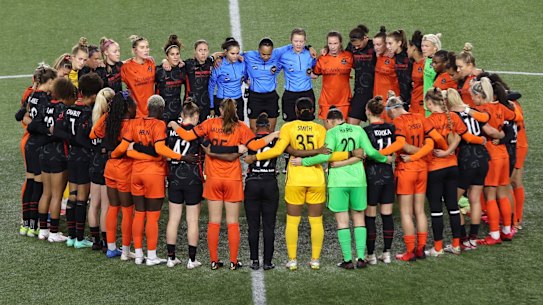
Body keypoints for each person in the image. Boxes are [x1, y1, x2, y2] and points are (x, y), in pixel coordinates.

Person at [245, 98, 358, 270]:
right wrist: (349, 154)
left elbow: (276, 150)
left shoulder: (288, 127)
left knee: (292, 221)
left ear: (296, 111)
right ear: (312, 110)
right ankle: (315, 260)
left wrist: (254, 157)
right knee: (315, 221)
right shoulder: (321, 129)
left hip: (296, 179)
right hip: (316, 179)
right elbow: (329, 155)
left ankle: (292, 260)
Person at [171, 98, 278, 270]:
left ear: (220, 110)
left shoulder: (209, 123)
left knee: (214, 222)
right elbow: (256, 144)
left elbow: (188, 135)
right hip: (232, 179)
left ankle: (214, 260)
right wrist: (273, 134)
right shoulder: (241, 127)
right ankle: (233, 262)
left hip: (213, 178)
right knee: (232, 222)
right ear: (235, 110)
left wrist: (173, 125)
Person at [291, 107, 390, 269]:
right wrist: (385, 159)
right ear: (342, 118)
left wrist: (304, 162)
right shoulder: (358, 130)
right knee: (359, 218)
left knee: (342, 221)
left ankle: (347, 260)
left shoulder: (332, 133)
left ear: (330, 121)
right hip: (358, 180)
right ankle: (360, 257)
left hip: (338, 182)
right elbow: (371, 151)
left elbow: (325, 156)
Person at [111, 95, 186, 266]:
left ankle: (137, 255)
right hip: (154, 175)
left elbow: (126, 150)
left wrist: (113, 155)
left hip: (136, 173)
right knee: (152, 217)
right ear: (160, 109)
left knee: (139, 214)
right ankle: (151, 256)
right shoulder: (159, 125)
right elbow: (159, 149)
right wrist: (180, 157)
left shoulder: (135, 123)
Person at [423, 88, 486, 256]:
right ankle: (456, 245)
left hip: (435, 168)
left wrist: (443, 151)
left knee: (436, 210)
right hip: (453, 167)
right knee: (453, 207)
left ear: (430, 103)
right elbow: (461, 136)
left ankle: (438, 248)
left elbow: (436, 139)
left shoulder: (428, 121)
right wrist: (451, 150)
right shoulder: (453, 118)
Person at [378, 94, 439, 261]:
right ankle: (421, 249)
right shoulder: (420, 117)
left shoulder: (399, 122)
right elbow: (433, 140)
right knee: (419, 211)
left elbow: (400, 144)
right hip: (422, 168)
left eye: (389, 113)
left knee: (406, 213)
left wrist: (378, 153)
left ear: (394, 109)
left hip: (406, 169)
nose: (389, 117)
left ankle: (410, 251)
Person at [52, 73, 104, 248]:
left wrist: (71, 139)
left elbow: (57, 130)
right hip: (84, 158)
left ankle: (71, 236)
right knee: (82, 198)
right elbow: (90, 137)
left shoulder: (69, 109)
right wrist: (88, 146)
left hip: (71, 156)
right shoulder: (89, 113)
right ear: (96, 94)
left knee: (73, 196)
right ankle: (80, 239)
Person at [446, 88, 501, 250]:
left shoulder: (451, 116)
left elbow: (453, 139)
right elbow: (488, 129)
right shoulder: (473, 111)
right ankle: (473, 239)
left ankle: (462, 239)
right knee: (475, 198)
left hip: (466, 158)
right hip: (483, 157)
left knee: (452, 200)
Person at [469, 77, 516, 245]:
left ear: (480, 96)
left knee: (490, 196)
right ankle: (507, 230)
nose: (472, 100)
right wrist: (503, 133)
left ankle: (494, 234)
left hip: (491, 156)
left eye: (473, 96)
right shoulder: (500, 106)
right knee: (503, 194)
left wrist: (498, 134)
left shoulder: (481, 110)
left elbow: (486, 128)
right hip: (504, 155)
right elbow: (513, 115)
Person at [29, 76, 76, 242]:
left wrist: (47, 132)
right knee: (57, 195)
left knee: (46, 193)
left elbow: (33, 125)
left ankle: (43, 230)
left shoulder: (47, 106)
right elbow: (64, 132)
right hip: (58, 154)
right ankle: (54, 233)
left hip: (43, 152)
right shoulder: (64, 109)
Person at [164, 101, 203, 269]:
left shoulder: (171, 131)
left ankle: (171, 258)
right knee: (192, 220)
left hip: (174, 176)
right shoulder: (197, 131)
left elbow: (165, 155)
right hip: (192, 178)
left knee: (173, 219)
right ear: (194, 116)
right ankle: (191, 260)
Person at [20, 64, 57, 237]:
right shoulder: (44, 100)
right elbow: (43, 124)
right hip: (40, 145)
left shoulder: (32, 96)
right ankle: (34, 225)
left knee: (30, 184)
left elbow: (26, 116)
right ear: (48, 81)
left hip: (30, 144)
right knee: (38, 186)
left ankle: (26, 224)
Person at [361, 97, 396, 264]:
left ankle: (371, 255)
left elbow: (364, 154)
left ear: (368, 111)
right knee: (387, 214)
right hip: (388, 174)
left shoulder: (365, 131)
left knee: (370, 215)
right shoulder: (391, 128)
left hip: (372, 174)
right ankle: (387, 253)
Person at [243, 113, 280, 270]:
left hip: (252, 183)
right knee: (269, 225)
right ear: (269, 127)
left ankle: (254, 260)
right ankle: (267, 261)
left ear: (256, 127)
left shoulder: (251, 140)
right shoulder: (276, 140)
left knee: (253, 225)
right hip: (270, 181)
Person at [88, 88, 115, 251]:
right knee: (106, 206)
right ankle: (106, 242)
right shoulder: (108, 121)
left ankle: (95, 240)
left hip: (94, 163)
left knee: (94, 205)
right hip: (106, 165)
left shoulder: (94, 117)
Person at [278, 28, 317, 122]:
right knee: (290, 125)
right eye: (296, 41)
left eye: (301, 41)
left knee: (307, 125)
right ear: (291, 40)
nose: (298, 44)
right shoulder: (284, 56)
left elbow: (317, 72)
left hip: (307, 93)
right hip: (290, 95)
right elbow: (274, 70)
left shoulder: (310, 55)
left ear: (305, 41)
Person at [244, 38, 282, 132]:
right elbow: (231, 53)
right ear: (259, 51)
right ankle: (254, 146)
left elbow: (292, 46)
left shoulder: (277, 56)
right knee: (253, 129)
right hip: (255, 97)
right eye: (263, 54)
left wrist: (308, 47)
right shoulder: (249, 55)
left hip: (271, 97)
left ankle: (269, 147)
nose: (266, 57)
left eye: (269, 54)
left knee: (271, 129)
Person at [313, 31, 353, 120]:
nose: (333, 46)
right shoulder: (322, 58)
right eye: (330, 43)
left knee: (343, 132)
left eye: (335, 43)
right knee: (329, 132)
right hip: (326, 101)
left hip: (344, 101)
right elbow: (314, 74)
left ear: (340, 43)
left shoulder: (348, 57)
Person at [208, 38, 246, 121]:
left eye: (237, 53)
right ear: (226, 52)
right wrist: (211, 106)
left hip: (238, 100)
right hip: (223, 101)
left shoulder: (242, 62)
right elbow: (211, 87)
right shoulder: (218, 65)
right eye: (232, 53)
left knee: (239, 129)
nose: (235, 56)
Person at [345, 24, 375, 124]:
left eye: (359, 45)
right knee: (351, 124)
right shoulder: (351, 47)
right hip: (360, 91)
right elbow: (343, 57)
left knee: (376, 124)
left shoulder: (374, 45)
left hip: (375, 91)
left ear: (365, 38)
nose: (356, 48)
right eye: (355, 46)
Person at [121, 35, 155, 118]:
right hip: (135, 114)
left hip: (151, 113)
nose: (146, 50)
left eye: (147, 47)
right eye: (142, 47)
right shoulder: (126, 67)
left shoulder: (151, 63)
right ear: (135, 50)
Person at [156, 34, 186, 123]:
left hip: (178, 113)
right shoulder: (159, 71)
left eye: (177, 54)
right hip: (162, 114)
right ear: (167, 56)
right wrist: (164, 61)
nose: (175, 57)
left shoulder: (182, 69)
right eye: (172, 54)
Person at [184, 40, 214, 122]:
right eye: (200, 50)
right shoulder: (188, 64)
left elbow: (218, 55)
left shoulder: (210, 62)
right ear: (195, 52)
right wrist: (164, 61)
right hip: (191, 105)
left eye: (205, 50)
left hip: (206, 105)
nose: (203, 53)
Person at [421, 33, 441, 116]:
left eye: (427, 46)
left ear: (435, 48)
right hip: (427, 104)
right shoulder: (427, 60)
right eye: (422, 46)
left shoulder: (439, 63)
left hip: (436, 104)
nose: (423, 48)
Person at [455, 43, 480, 107]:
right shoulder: (465, 77)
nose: (458, 70)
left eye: (460, 67)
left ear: (470, 65)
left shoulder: (478, 80)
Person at [408, 31, 426, 115]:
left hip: (422, 106)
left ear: (414, 48)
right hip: (414, 104)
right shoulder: (415, 63)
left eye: (408, 47)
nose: (407, 50)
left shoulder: (426, 64)